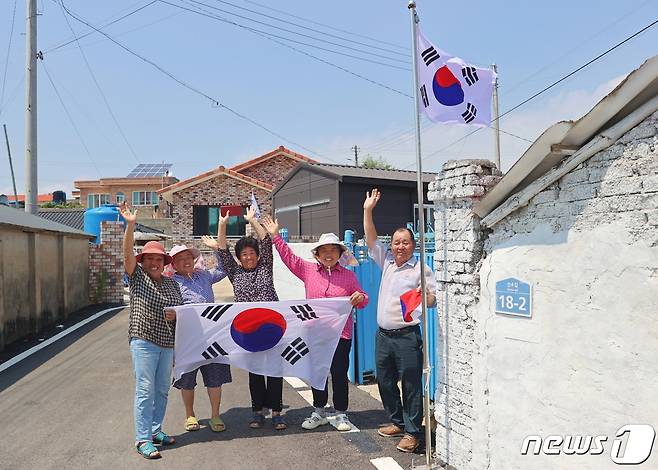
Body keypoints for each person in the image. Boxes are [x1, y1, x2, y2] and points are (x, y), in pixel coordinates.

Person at [262, 218, 368, 432]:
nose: (328, 254)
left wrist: (360, 298)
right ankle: (318, 411)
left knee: (339, 374)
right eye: (324, 251)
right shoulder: (308, 271)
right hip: (315, 335)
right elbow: (289, 258)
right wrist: (275, 236)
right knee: (317, 373)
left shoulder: (349, 276)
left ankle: (341, 414)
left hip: (341, 335)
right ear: (317, 254)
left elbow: (364, 300)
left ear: (339, 254)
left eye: (333, 250)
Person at [362, 189, 437, 453]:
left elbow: (432, 300)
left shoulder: (420, 269)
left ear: (413, 245)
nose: (400, 246)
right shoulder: (388, 263)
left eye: (405, 242)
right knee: (384, 381)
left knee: (411, 385)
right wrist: (368, 210)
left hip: (407, 337)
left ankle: (413, 432)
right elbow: (371, 239)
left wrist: (424, 296)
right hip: (383, 336)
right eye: (396, 242)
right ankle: (397, 422)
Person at [120, 202, 183, 460]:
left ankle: (156, 431)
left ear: (164, 262)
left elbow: (182, 313)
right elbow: (126, 255)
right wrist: (130, 225)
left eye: (159, 259)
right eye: (150, 259)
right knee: (145, 390)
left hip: (167, 343)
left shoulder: (171, 284)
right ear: (143, 261)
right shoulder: (137, 277)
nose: (155, 263)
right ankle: (143, 439)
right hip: (144, 341)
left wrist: (176, 314)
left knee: (161, 390)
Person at [216, 207, 286, 430]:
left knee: (274, 371)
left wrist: (252, 220)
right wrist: (222, 225)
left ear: (257, 255)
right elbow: (221, 249)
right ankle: (258, 412)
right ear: (239, 257)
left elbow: (266, 240)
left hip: (273, 328)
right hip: (247, 331)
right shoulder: (234, 272)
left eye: (251, 253)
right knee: (255, 372)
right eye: (243, 254)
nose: (248, 257)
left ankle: (276, 412)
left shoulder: (266, 266)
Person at [168, 241, 232, 433]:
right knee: (187, 379)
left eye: (188, 257)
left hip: (212, 337)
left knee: (215, 378)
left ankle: (215, 414)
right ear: (174, 264)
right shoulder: (170, 283)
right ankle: (190, 415)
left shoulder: (204, 276)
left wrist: (217, 248)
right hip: (186, 339)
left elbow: (224, 269)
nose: (186, 261)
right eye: (180, 259)